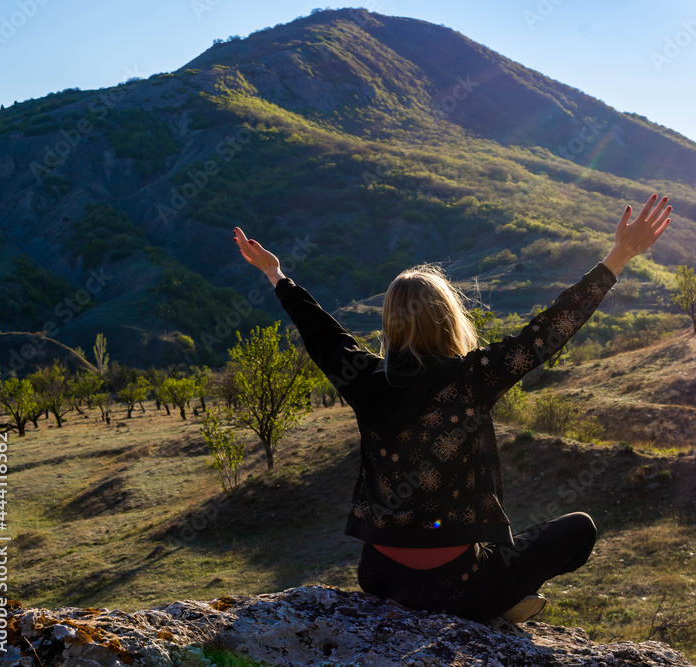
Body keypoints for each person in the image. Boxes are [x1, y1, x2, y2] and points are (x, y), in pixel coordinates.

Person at [232, 194, 672, 623]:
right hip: (458, 585)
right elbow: (549, 331)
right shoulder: (474, 378)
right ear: (449, 317)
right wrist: (619, 256)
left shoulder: (365, 380)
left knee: (494, 547)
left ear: (388, 323)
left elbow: (321, 333)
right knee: (580, 529)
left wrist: (276, 274)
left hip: (379, 576)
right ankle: (500, 600)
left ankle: (502, 594)